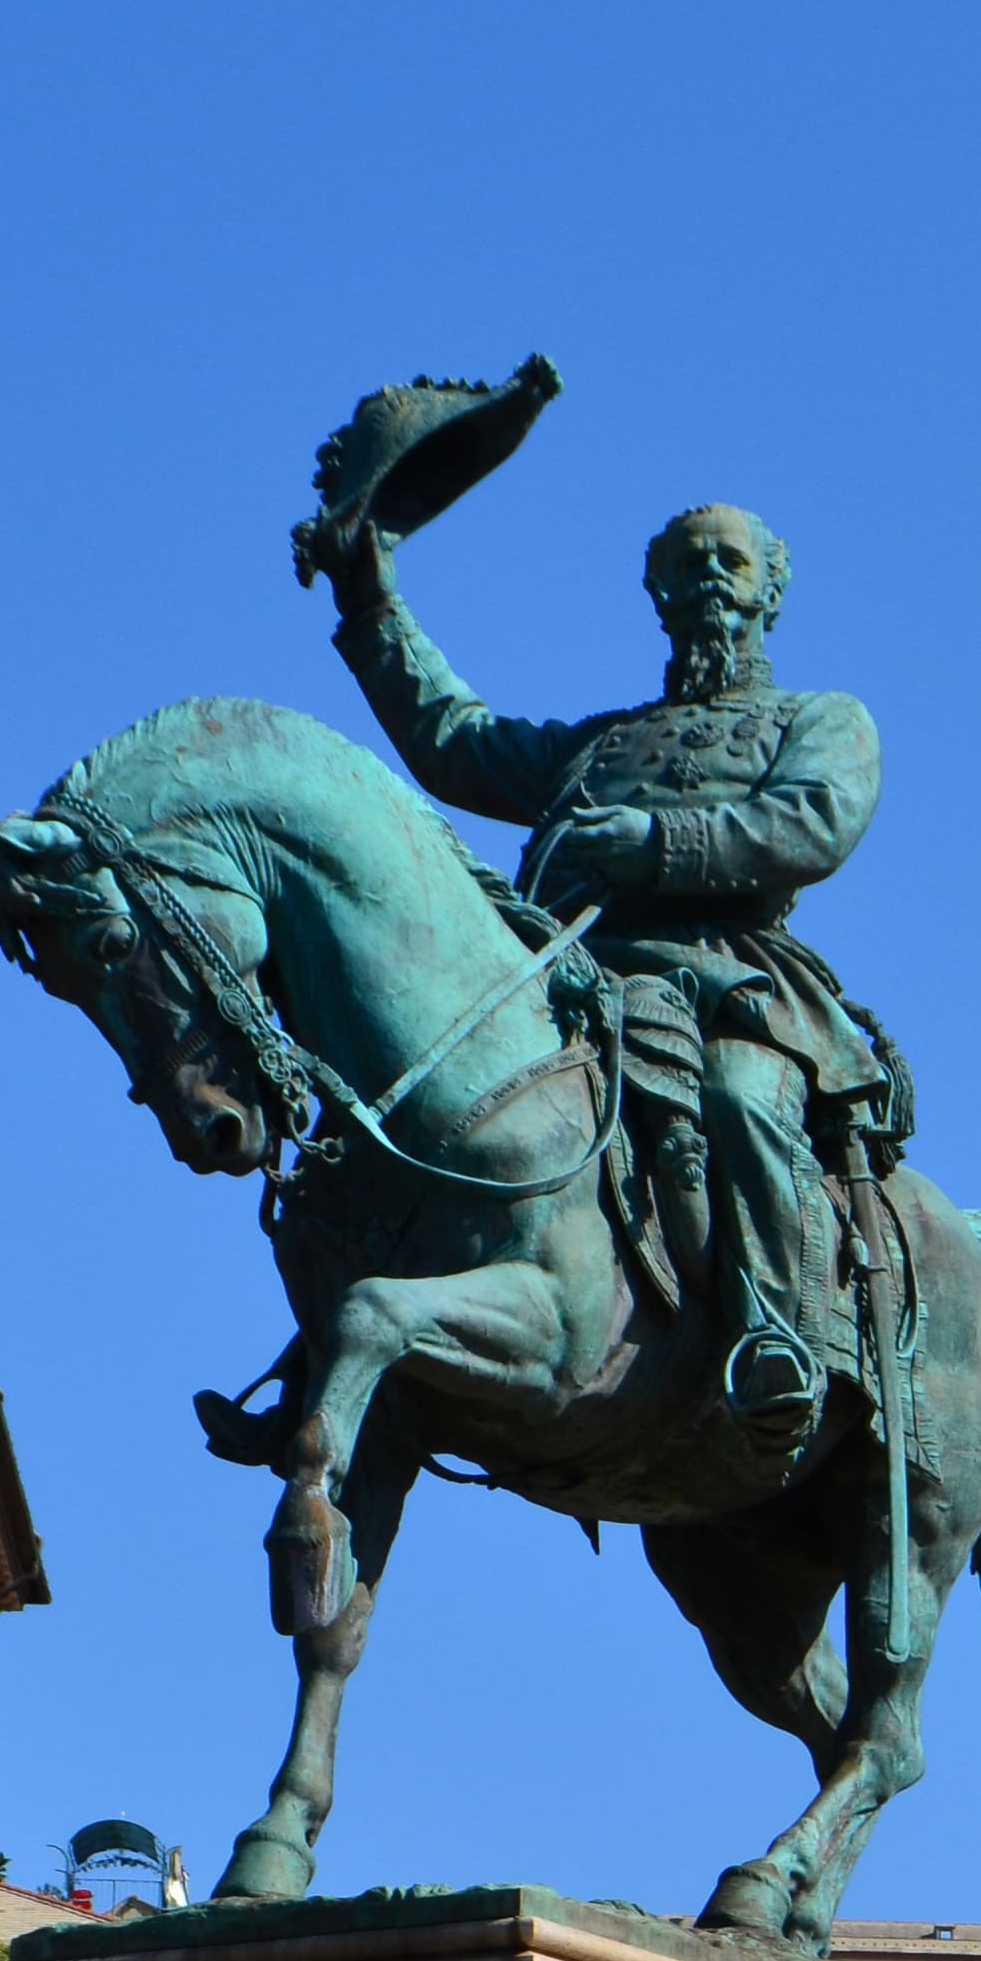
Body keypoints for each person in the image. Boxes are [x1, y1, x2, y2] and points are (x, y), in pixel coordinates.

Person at [327, 498, 894, 1424]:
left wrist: (653, 841)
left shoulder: (822, 719)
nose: (711, 574)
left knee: (744, 1101)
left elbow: (813, 822)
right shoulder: (594, 746)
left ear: (770, 589)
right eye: (691, 561)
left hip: (726, 973)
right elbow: (458, 742)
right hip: (575, 971)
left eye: (733, 562)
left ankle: (774, 1337)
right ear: (659, 589)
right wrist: (370, 605)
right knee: (436, 1076)